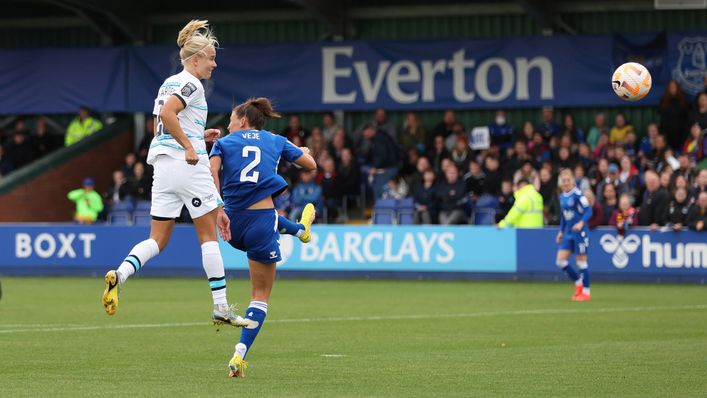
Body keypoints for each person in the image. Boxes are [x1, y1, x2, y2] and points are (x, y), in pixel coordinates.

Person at [101, 21, 235, 327]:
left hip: (162, 166)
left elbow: (161, 126)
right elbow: (167, 115)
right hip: (187, 164)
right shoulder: (193, 84)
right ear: (195, 59)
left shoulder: (166, 84)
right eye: (211, 58)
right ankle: (221, 307)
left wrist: (199, 135)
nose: (214, 64)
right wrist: (190, 146)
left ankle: (120, 274)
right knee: (208, 235)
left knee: (157, 239)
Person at [208, 97, 316, 378]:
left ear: (242, 121)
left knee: (269, 220)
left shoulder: (222, 143)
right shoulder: (275, 140)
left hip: (232, 224)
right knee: (259, 297)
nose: (228, 125)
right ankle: (239, 356)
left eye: (231, 120)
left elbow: (211, 174)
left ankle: (299, 230)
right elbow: (311, 165)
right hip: (261, 225)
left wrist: (218, 208)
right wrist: (298, 150)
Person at [555, 169, 592, 302]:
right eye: (563, 181)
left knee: (581, 262)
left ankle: (586, 292)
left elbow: (589, 211)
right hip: (569, 233)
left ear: (573, 180)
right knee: (560, 261)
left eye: (568, 180)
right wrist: (561, 231)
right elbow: (564, 217)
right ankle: (578, 283)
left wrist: (581, 223)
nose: (565, 183)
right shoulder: (562, 196)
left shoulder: (578, 194)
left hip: (580, 233)